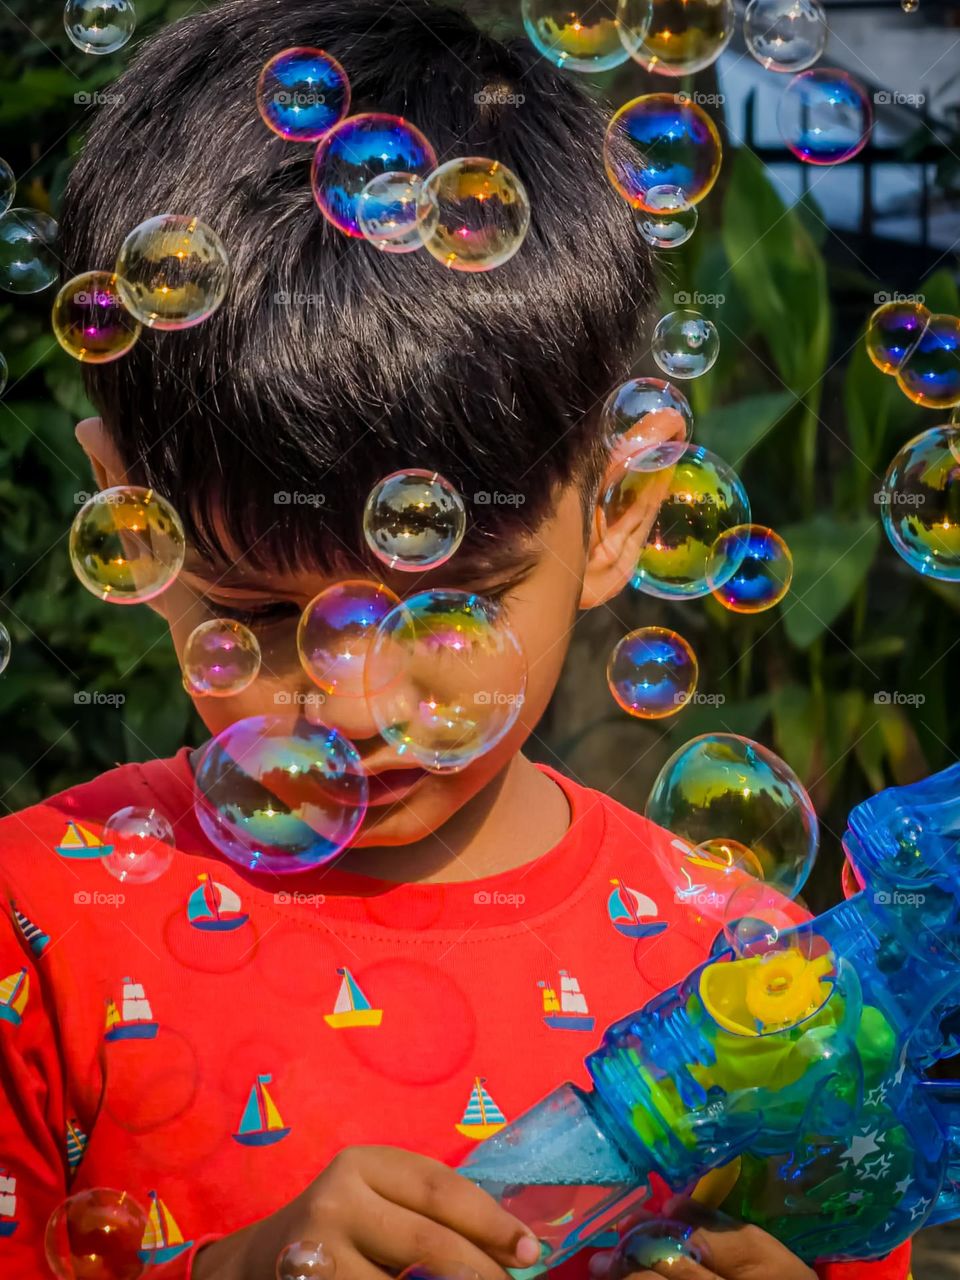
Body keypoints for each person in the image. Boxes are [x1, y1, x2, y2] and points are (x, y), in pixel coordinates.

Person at [0, 2, 912, 1279]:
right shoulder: (40, 925)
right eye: (263, 614)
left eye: (450, 602)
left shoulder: (745, 977)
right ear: (123, 521)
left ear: (619, 516)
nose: (360, 702)